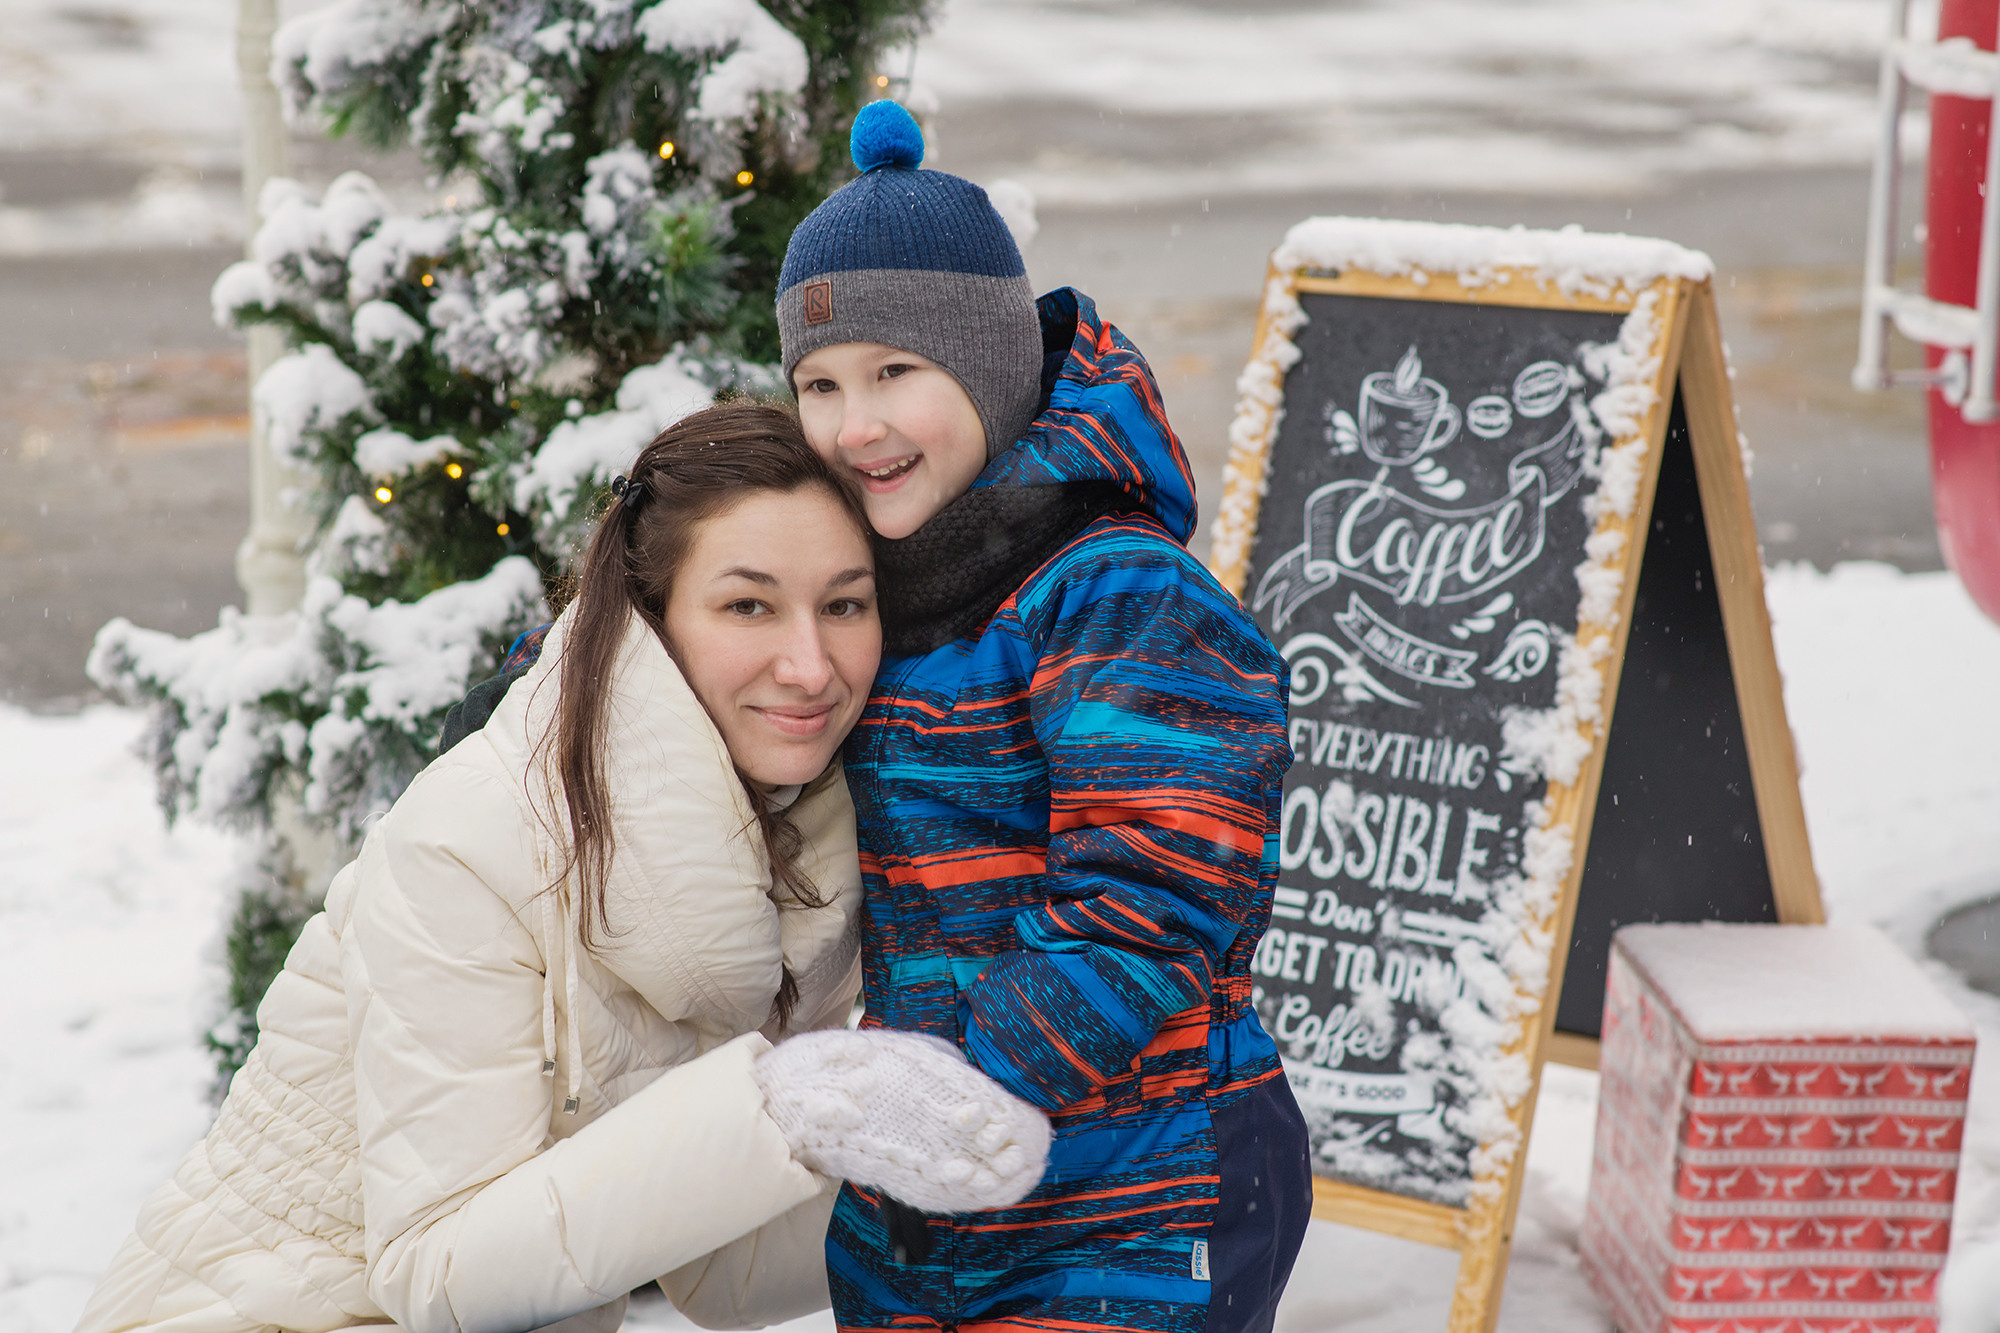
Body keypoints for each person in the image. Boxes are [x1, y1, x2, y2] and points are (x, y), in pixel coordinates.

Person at [73, 402, 1050, 1333]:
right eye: (748, 604)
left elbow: (722, 1265)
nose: (809, 664)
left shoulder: (796, 844)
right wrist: (790, 1109)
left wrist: (924, 1164)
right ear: (649, 619)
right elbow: (438, 1271)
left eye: (844, 604)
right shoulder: (475, 841)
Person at [778, 102, 1312, 1333]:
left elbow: (1156, 886)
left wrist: (965, 1083)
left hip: (1140, 1175)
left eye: (895, 372)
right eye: (819, 384)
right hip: (930, 1188)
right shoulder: (868, 574)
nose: (854, 426)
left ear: (989, 364)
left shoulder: (1114, 589)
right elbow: (722, 619)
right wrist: (572, 673)